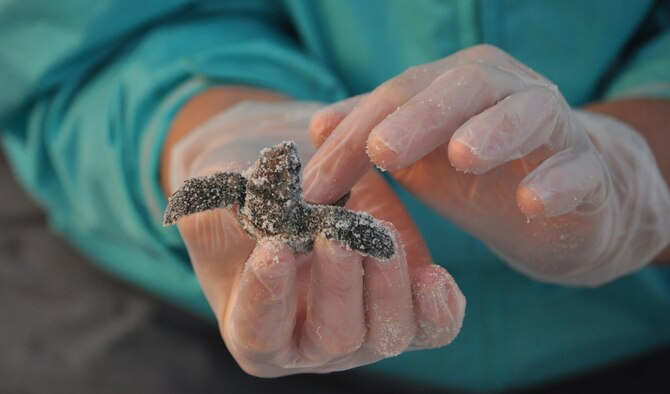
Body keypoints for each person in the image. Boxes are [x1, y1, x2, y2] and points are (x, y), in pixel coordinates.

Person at [1, 0, 669, 391]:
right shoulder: (260, 191)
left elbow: (345, 222)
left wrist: (644, 168)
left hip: (629, 325)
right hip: (173, 302)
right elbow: (66, 34)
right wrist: (201, 128)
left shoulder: (311, 203)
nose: (265, 175)